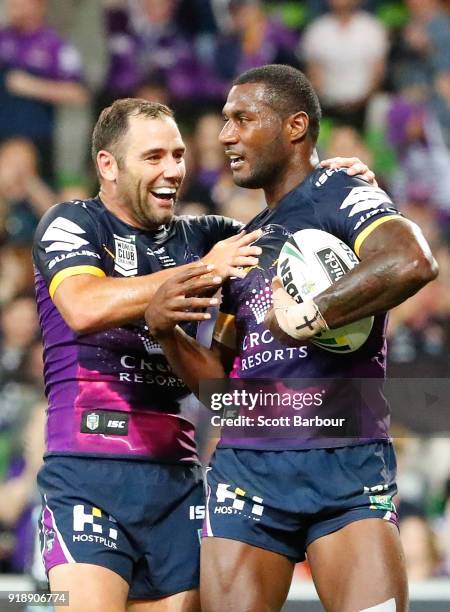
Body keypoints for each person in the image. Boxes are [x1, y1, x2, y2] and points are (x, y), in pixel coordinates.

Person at [32, 95, 378, 611]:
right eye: (154, 157)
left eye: (177, 154)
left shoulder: (210, 237)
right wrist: (201, 273)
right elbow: (81, 305)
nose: (173, 169)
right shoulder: (72, 224)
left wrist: (335, 184)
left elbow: (293, 232)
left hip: (180, 480)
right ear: (107, 164)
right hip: (87, 474)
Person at [144, 65, 439, 612]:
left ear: (296, 126)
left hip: (347, 466)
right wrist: (165, 332)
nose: (226, 135)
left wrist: (310, 314)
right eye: (224, 122)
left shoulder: (337, 189)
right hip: (248, 472)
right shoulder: (244, 242)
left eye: (243, 119)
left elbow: (411, 260)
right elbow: (222, 392)